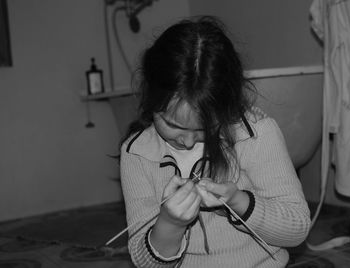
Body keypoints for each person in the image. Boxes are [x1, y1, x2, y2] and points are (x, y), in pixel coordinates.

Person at [120, 16, 310, 268]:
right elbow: (146, 263)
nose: (187, 142)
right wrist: (170, 224)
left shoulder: (254, 134)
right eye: (172, 124)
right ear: (151, 101)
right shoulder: (137, 154)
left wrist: (238, 202)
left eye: (203, 129)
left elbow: (297, 230)